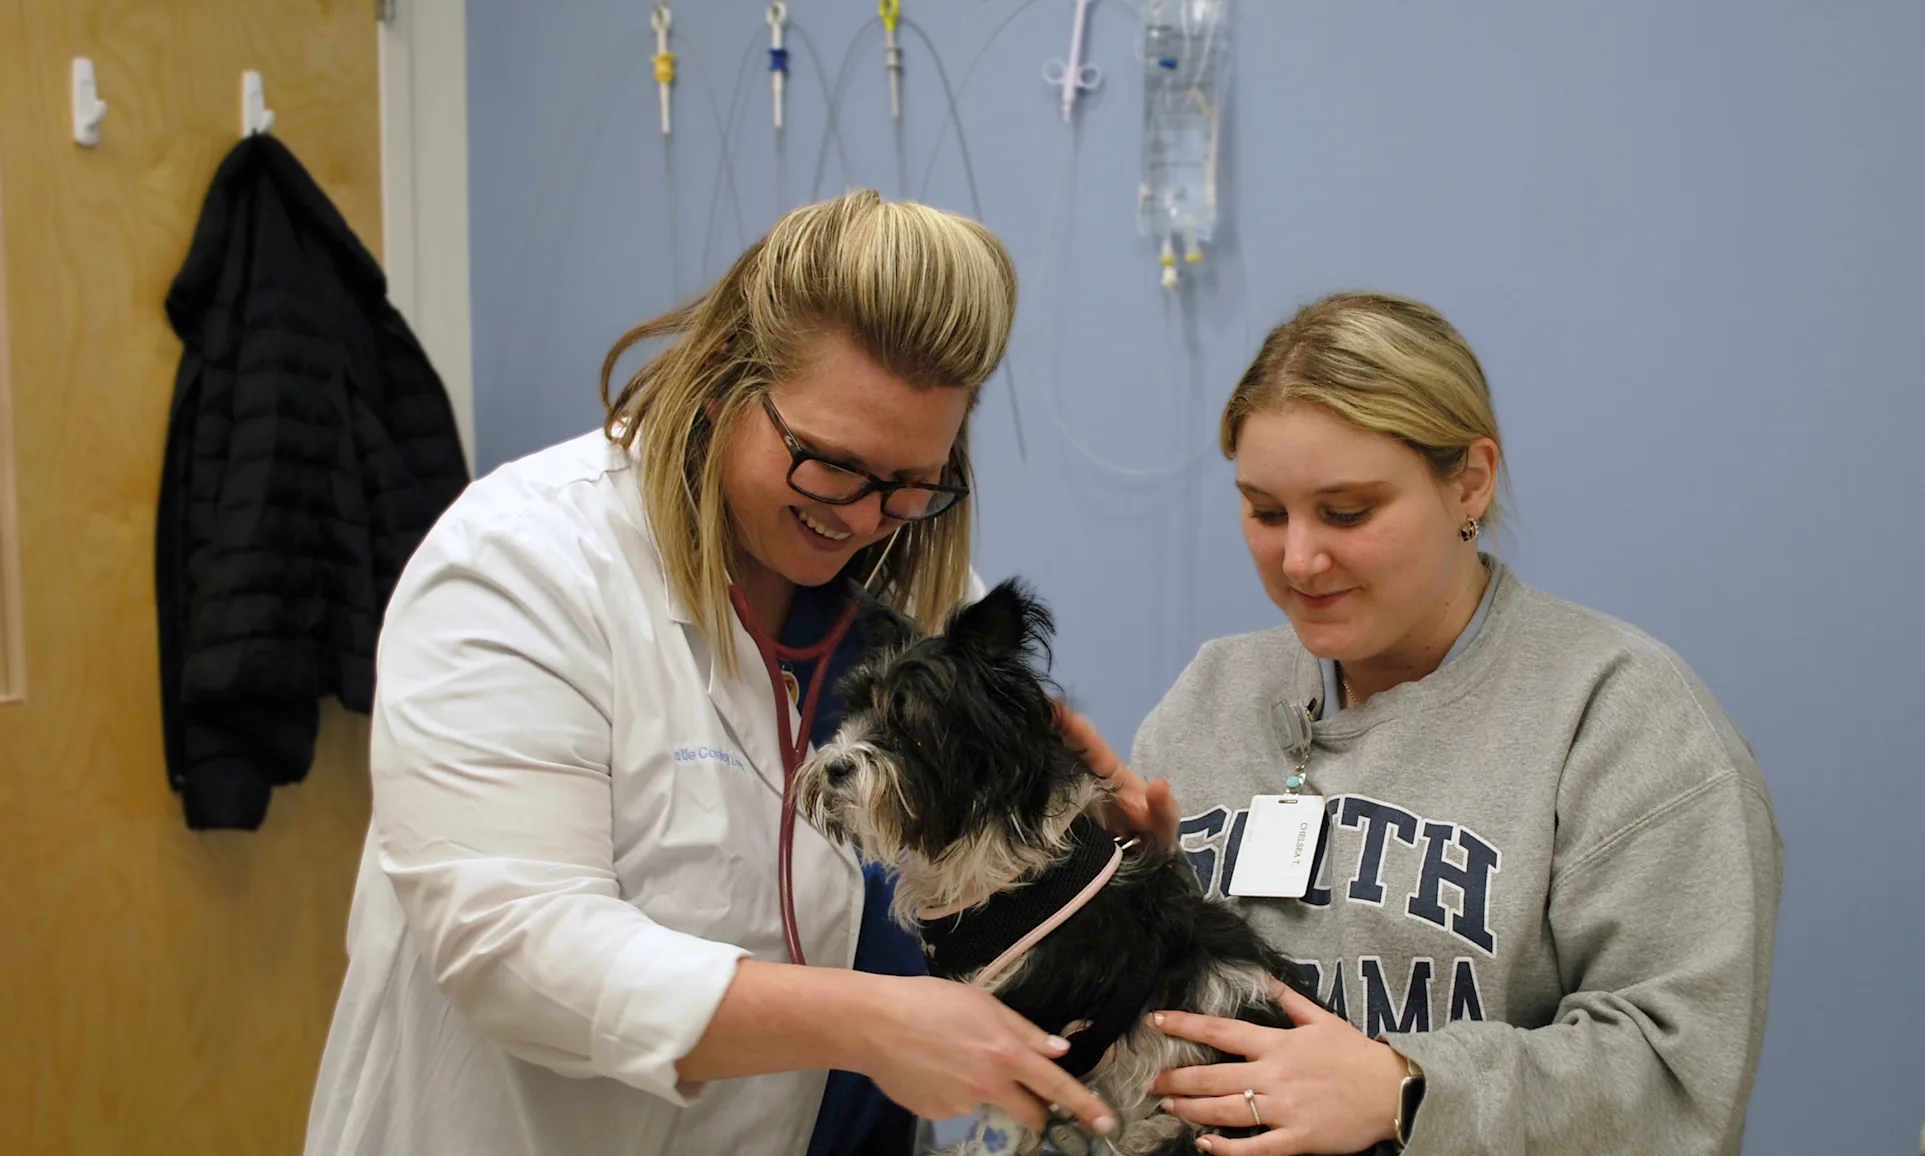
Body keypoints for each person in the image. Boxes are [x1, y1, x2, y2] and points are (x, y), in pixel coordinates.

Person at [303, 191, 1116, 1156]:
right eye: (829, 464)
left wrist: (1075, 836)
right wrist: (867, 1022)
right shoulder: (523, 563)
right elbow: (512, 948)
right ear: (727, 377)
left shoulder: (916, 608)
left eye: (910, 483)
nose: (863, 517)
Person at [1081, 292, 1783, 1155]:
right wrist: (1093, 895)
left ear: (1470, 483)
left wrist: (1408, 1089)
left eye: (1347, 513)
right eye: (1266, 512)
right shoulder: (1212, 695)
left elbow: (1679, 1077)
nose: (1299, 559)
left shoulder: (1618, 716)